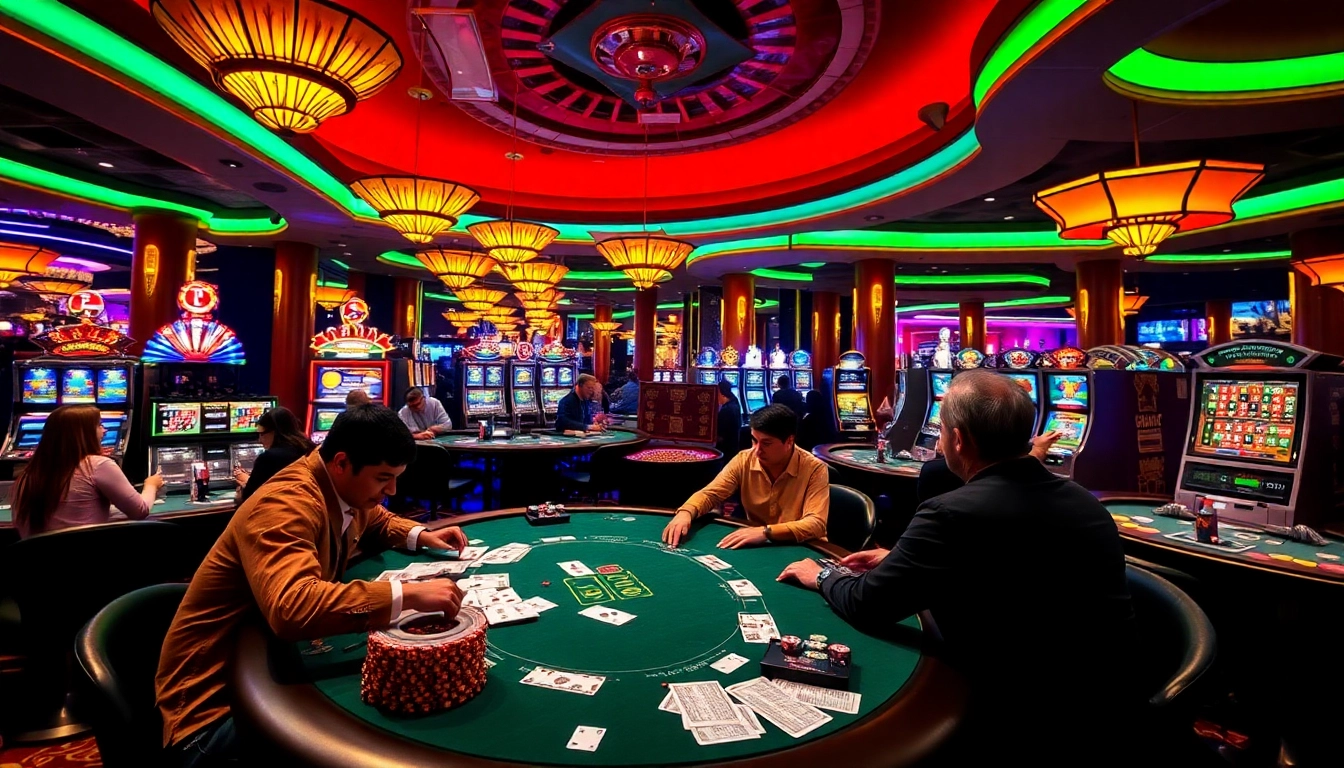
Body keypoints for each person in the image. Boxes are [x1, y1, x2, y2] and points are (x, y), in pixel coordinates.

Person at [777, 370, 1133, 761]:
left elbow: (867, 604)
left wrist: (822, 573)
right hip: (1106, 698)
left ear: (958, 440)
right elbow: (1003, 567)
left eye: (942, 431)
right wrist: (902, 559)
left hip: (1011, 710)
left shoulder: (950, 513)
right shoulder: (1087, 503)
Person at [155, 405, 467, 767]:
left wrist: (422, 534)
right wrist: (408, 594)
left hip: (272, 663)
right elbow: (294, 607)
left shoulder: (340, 485)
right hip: (215, 711)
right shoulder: (285, 503)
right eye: (383, 478)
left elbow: (375, 517)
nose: (392, 491)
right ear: (341, 462)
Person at [663, 404, 828, 549]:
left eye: (766, 443)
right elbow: (711, 493)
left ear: (789, 441)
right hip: (759, 544)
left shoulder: (815, 469)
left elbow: (816, 524)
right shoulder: (744, 459)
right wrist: (686, 512)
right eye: (754, 440)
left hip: (804, 547)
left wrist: (766, 532)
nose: (757, 450)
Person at [11, 405, 163, 538]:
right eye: (99, 425)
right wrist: (151, 485)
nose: (105, 429)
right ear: (83, 433)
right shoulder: (97, 465)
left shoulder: (26, 476)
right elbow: (140, 511)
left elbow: (69, 515)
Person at [915, 429, 1063, 505]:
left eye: (941, 430)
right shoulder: (1071, 496)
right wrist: (1038, 450)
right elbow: (1010, 473)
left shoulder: (934, 473)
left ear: (958, 439)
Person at [233, 407, 314, 503]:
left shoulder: (269, 458)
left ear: (274, 432)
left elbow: (250, 497)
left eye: (261, 434)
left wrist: (245, 484)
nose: (259, 440)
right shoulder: (310, 448)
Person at [714, 380, 742, 458]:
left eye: (717, 393)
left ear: (721, 393)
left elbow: (720, 436)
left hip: (726, 451)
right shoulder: (734, 401)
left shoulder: (726, 410)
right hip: (733, 447)